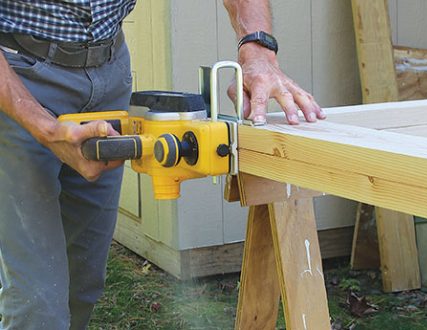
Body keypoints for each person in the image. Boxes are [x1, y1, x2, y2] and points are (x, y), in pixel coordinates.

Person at [0, 0, 324, 328]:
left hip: (107, 67)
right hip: (16, 72)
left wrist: (258, 49)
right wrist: (43, 126)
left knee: (82, 283)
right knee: (37, 303)